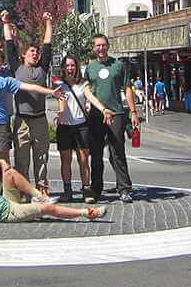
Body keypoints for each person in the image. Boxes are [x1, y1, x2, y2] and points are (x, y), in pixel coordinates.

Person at [0, 46, 63, 197]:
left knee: (5, 161)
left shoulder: (8, 80)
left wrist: (51, 92)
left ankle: (9, 193)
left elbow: (31, 87)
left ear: (2, 63)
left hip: (2, 123)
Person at [0, 158, 106, 225]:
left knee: (10, 172)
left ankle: (38, 196)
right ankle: (87, 213)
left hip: (6, 199)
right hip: (10, 212)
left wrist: (1, 162)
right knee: (48, 210)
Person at [83, 34, 139, 204]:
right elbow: (87, 91)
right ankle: (96, 188)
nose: (100, 49)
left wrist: (133, 111)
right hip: (96, 116)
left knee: (118, 153)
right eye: (97, 46)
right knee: (96, 154)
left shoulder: (118, 65)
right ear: (94, 48)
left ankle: (124, 189)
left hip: (116, 114)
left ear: (108, 46)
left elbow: (127, 88)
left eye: (103, 45)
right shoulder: (90, 68)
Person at [7, 11, 54, 195]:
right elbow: (9, 47)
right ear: (24, 54)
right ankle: (23, 190)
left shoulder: (43, 69)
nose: (35, 54)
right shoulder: (17, 69)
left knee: (41, 157)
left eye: (37, 52)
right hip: (22, 121)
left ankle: (42, 189)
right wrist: (5, 22)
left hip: (40, 119)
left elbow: (48, 44)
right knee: (22, 158)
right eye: (31, 51)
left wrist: (48, 22)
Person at [55, 55, 91, 202]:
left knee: (83, 161)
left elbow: (89, 98)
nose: (70, 68)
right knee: (66, 160)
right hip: (64, 127)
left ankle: (86, 189)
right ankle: (67, 190)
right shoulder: (59, 85)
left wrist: (95, 107)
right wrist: (60, 113)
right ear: (63, 68)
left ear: (76, 67)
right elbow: (61, 101)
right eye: (67, 66)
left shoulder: (84, 84)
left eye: (72, 65)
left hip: (81, 126)